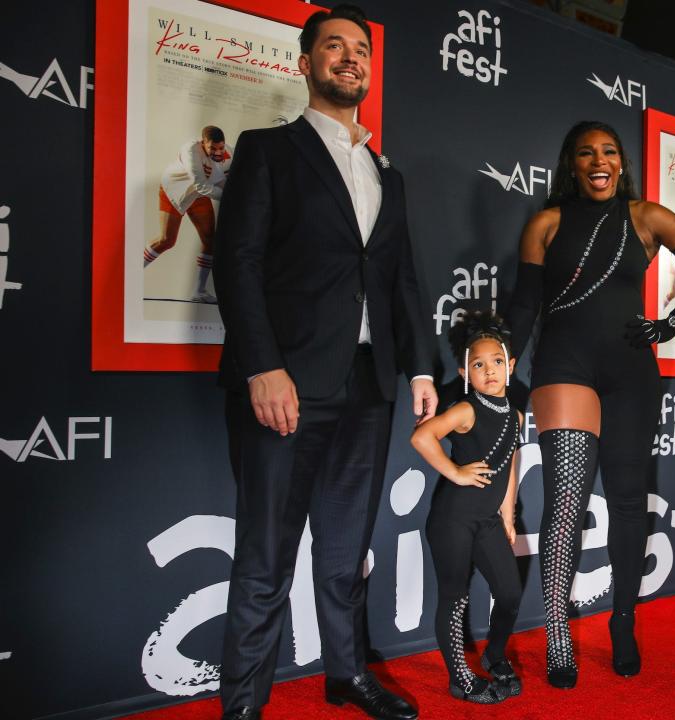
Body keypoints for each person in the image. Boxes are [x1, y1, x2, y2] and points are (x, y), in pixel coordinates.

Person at [212, 6, 437, 720]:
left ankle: (348, 676)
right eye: (333, 47)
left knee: (345, 553)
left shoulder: (386, 174)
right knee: (265, 560)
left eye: (360, 49)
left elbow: (401, 278)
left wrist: (423, 369)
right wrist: (261, 367)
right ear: (304, 63)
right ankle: (242, 706)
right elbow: (237, 263)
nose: (350, 58)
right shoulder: (267, 150)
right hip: (286, 386)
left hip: (370, 387)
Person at [505, 120, 675, 689]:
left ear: (621, 163)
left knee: (628, 500)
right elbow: (525, 307)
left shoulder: (646, 217)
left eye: (609, 152)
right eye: (586, 153)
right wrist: (496, 363)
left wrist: (670, 324)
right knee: (566, 503)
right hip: (564, 368)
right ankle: (558, 632)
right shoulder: (546, 224)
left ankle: (622, 622)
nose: (598, 161)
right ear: (571, 165)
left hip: (631, 374)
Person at [410, 310, 523, 705]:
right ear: (465, 372)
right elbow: (423, 437)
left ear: (510, 366)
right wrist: (455, 471)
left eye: (496, 362)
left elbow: (509, 464)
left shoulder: (516, 414)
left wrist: (508, 514)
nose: (489, 371)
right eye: (478, 364)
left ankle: (493, 655)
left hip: (489, 520)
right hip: (452, 519)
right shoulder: (466, 409)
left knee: (509, 593)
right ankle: (459, 677)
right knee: (454, 598)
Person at [143, 126, 232, 303]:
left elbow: (222, 181)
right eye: (212, 148)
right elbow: (201, 185)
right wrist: (232, 197)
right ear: (203, 143)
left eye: (220, 148)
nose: (217, 152)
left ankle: (199, 292)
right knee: (167, 240)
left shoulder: (229, 152)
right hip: (175, 192)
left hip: (199, 196)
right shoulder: (190, 150)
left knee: (210, 241)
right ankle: (128, 277)